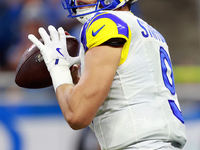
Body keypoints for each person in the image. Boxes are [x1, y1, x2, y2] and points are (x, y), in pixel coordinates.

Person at [28, 0, 187, 149]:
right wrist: (75, 83)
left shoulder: (106, 23)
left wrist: (58, 68)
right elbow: (121, 98)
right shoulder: (149, 31)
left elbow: (77, 115)